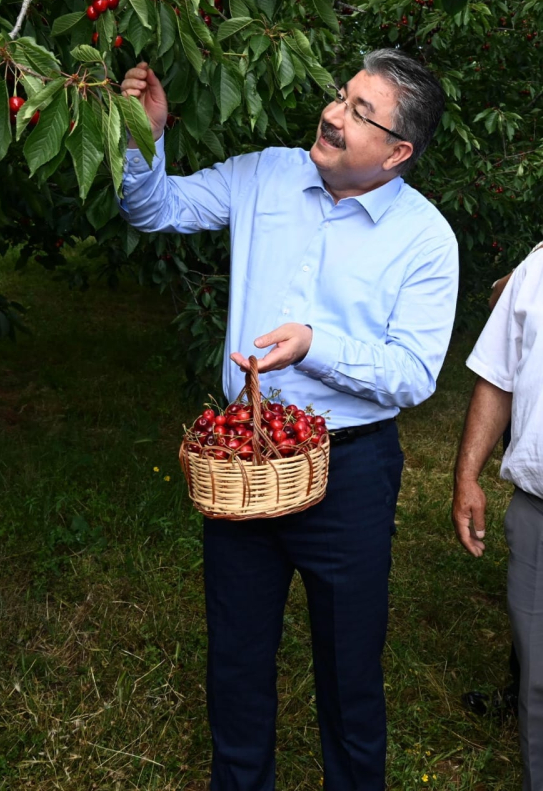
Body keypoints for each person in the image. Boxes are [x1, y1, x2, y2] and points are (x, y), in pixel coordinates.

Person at [121, 49, 458, 791]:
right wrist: (145, 137)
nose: (334, 115)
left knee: (350, 674)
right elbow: (156, 208)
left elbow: (413, 374)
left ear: (399, 151)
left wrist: (317, 346)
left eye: (361, 113)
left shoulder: (427, 242)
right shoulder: (268, 173)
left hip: (351, 473)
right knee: (236, 664)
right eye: (342, 97)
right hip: (245, 464)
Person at [453, 247, 543, 791]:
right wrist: (467, 475)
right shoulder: (538, 268)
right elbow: (497, 376)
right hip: (538, 511)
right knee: (537, 685)